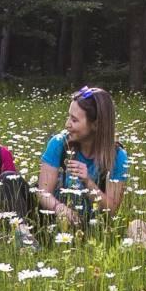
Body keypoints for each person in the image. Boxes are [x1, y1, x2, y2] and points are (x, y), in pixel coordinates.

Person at [32, 86, 128, 237]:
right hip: (53, 220)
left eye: (74, 120)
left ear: (96, 125)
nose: (67, 124)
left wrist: (88, 182)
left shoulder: (117, 156)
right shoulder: (59, 143)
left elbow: (113, 210)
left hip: (93, 229)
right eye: (68, 117)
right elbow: (43, 193)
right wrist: (60, 208)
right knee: (10, 180)